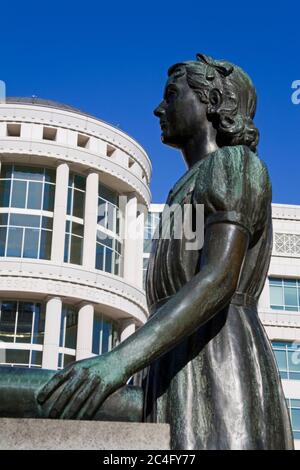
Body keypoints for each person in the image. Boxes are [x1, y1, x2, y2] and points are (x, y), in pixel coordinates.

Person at [37, 54, 294, 450]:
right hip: (172, 363)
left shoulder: (235, 164)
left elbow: (220, 277)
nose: (160, 108)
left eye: (172, 95)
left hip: (220, 357)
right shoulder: (182, 189)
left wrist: (117, 362)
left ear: (211, 100)